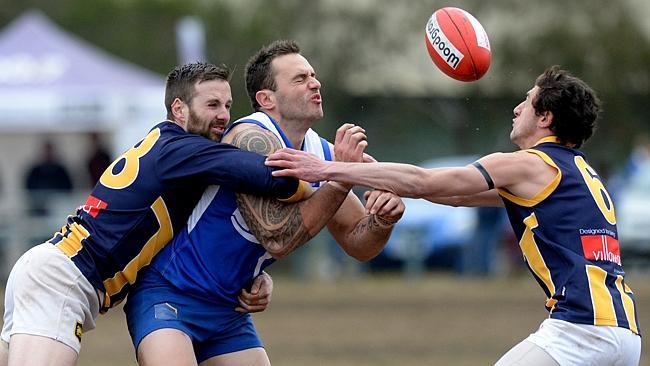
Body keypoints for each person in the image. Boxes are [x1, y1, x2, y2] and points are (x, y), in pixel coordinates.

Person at [267, 66, 641, 366]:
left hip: (579, 331)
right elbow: (452, 194)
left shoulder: (530, 165)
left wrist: (325, 169)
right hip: (624, 335)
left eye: (526, 102)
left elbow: (424, 181)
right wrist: (370, 170)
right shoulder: (578, 172)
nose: (516, 109)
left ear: (545, 117)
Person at [0, 62, 311, 366]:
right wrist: (325, 176)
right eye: (212, 104)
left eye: (228, 105)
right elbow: (273, 176)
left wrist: (257, 273)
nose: (224, 116)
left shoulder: (169, 149)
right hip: (65, 279)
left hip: (51, 268)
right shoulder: (183, 150)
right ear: (179, 109)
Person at [125, 40, 405, 366]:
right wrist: (342, 179)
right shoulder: (250, 139)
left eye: (313, 75)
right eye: (300, 79)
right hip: (170, 291)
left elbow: (360, 245)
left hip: (229, 309)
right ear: (266, 99)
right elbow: (279, 237)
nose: (314, 83)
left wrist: (383, 218)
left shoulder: (321, 153)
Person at [23, 139, 74, 216]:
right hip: (39, 208)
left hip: (58, 209)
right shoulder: (35, 171)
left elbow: (68, 188)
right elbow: (29, 188)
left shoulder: (61, 171)